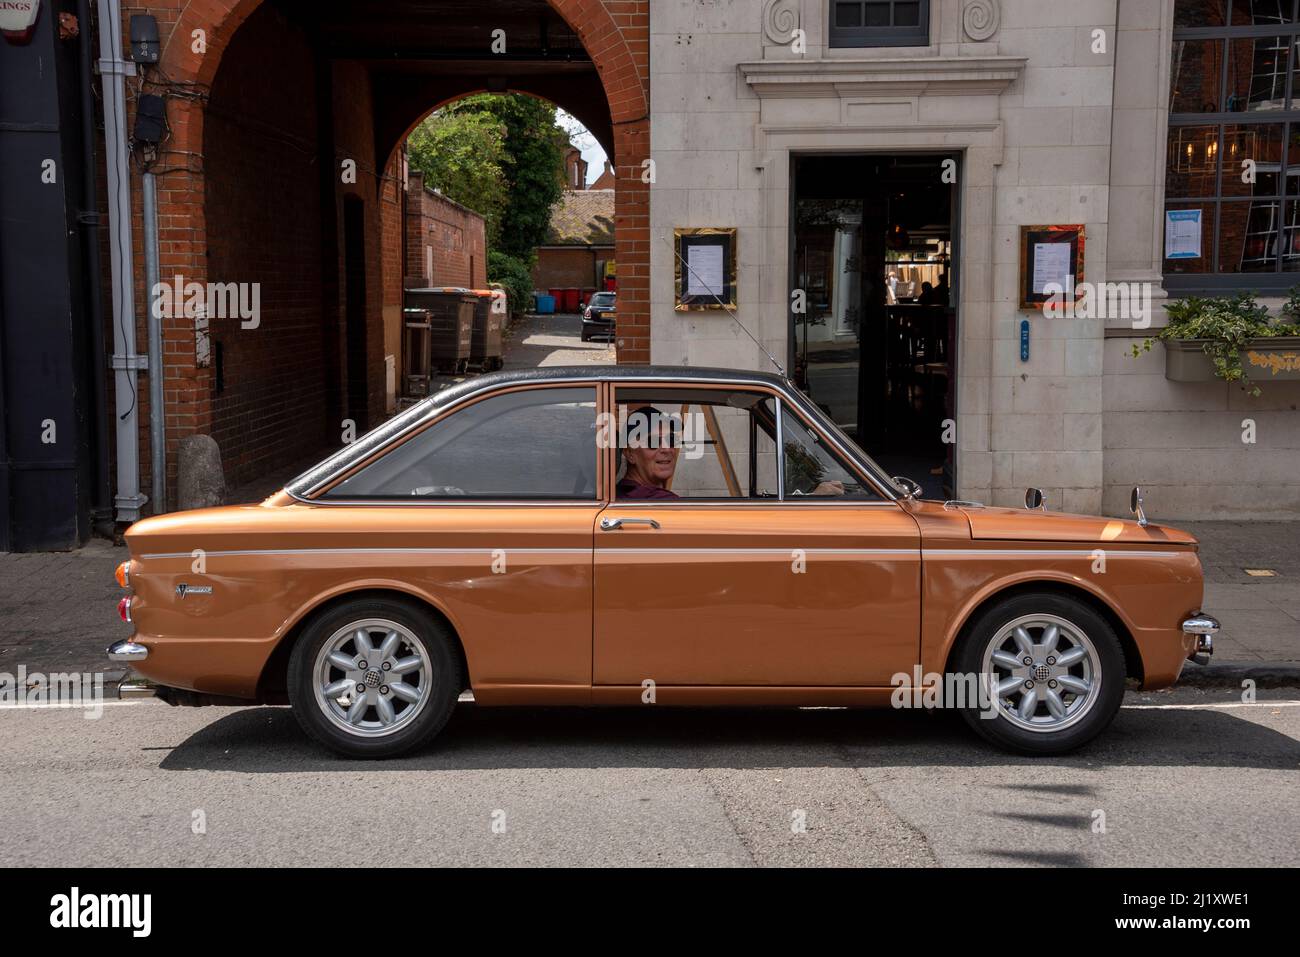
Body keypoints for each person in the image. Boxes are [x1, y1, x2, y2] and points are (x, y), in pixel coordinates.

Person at [614, 405, 846, 499]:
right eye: (654, 442)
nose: (667, 448)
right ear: (630, 453)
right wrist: (811, 499)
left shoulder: (629, 494)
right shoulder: (655, 501)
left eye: (672, 439)